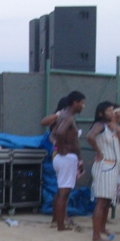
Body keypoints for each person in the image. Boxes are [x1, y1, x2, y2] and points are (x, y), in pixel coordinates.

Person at [87, 101, 120, 241]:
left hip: (113, 166)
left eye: (112, 110)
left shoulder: (113, 128)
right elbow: (90, 136)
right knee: (101, 201)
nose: (112, 112)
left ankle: (102, 228)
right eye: (108, 110)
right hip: (105, 165)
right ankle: (96, 235)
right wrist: (99, 152)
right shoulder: (100, 126)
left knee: (108, 201)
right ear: (101, 113)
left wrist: (118, 131)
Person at [52, 91, 85, 231]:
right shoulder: (68, 118)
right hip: (66, 157)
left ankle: (58, 221)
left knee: (62, 192)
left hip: (64, 157)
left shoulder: (63, 116)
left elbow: (54, 133)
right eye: (82, 103)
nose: (83, 107)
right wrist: (62, 149)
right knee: (64, 193)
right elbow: (59, 133)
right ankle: (60, 225)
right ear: (75, 103)